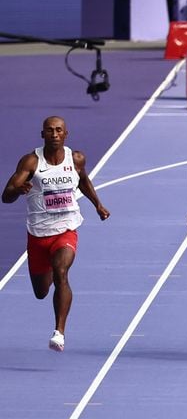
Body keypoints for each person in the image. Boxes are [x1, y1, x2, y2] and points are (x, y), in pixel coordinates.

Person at [2, 116, 110, 351]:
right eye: (50, 130)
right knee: (41, 292)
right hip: (38, 234)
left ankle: (59, 332)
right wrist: (18, 190)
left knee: (62, 272)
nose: (54, 134)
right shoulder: (31, 162)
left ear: (66, 134)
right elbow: (6, 196)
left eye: (59, 130)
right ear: (42, 134)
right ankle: (50, 266)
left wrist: (98, 205)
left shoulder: (76, 159)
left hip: (66, 229)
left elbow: (83, 181)